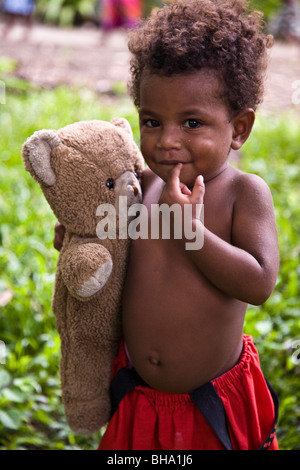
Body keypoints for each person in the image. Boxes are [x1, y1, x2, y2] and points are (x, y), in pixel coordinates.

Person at [55, 0, 280, 450]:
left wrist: (191, 234)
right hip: (139, 394)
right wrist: (84, 234)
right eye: (152, 121)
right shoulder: (144, 184)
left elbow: (259, 282)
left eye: (192, 122)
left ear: (239, 128)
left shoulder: (242, 194)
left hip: (209, 403)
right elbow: (119, 239)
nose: (167, 140)